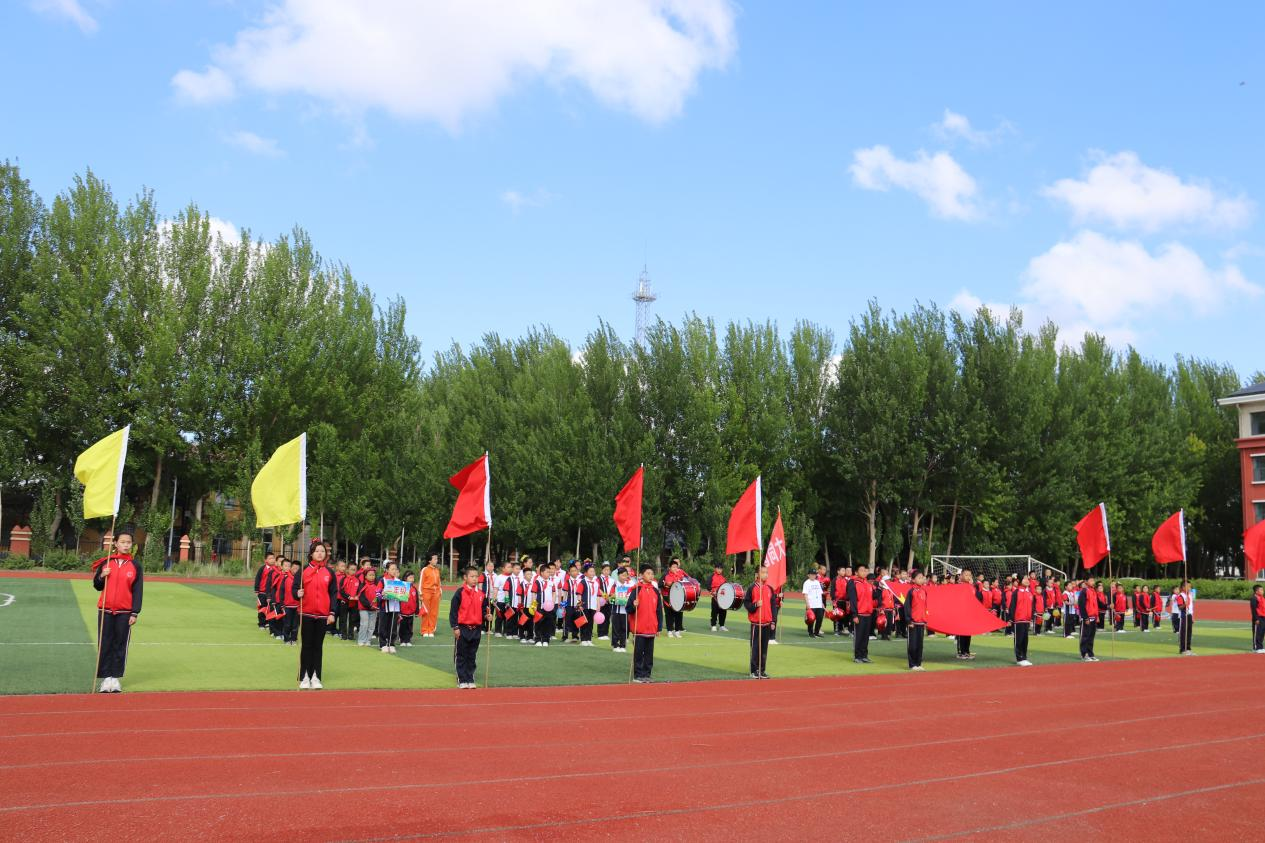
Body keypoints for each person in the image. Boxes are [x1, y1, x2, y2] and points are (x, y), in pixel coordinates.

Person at [91, 529, 143, 693]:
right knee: (105, 643)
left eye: (128, 542)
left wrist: (134, 612)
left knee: (120, 644)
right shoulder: (106, 562)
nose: (126, 545)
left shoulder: (135, 565)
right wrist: (102, 576)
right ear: (115, 543)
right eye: (123, 542)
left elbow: (137, 590)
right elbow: (97, 586)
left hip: (124, 612)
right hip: (105, 609)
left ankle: (115, 678)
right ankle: (106, 679)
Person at [294, 540, 338, 689]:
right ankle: (304, 676)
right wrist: (297, 593)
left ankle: (316, 677)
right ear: (311, 553)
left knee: (318, 646)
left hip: (322, 615)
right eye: (317, 551)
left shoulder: (330, 572)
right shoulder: (303, 570)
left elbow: (333, 594)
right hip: (305, 613)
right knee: (306, 645)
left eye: (322, 551)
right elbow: (295, 589)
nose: (320, 553)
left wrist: (332, 612)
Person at [449, 566, 491, 689]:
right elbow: (454, 611)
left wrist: (487, 617)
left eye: (476, 576)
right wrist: (455, 627)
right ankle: (461, 678)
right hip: (462, 628)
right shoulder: (460, 592)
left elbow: (484, 611)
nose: (474, 579)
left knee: (472, 655)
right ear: (465, 578)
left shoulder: (481, 595)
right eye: (472, 576)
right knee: (461, 654)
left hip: (476, 629)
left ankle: (470, 677)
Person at [625, 564, 664, 683]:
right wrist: (633, 605)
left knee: (649, 654)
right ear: (641, 575)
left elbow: (659, 611)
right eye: (648, 573)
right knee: (638, 653)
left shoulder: (655, 591)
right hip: (639, 628)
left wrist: (659, 627)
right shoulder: (636, 590)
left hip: (651, 628)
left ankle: (647, 674)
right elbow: (628, 609)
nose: (651, 575)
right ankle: (638, 675)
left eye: (652, 573)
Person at [745, 565, 778, 678]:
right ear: (758, 574)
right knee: (755, 648)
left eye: (766, 572)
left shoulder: (769, 588)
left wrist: (773, 621)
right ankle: (754, 670)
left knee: (764, 649)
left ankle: (762, 670)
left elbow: (773, 606)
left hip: (767, 623)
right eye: (763, 572)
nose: (765, 574)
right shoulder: (752, 588)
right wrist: (755, 605)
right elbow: (747, 604)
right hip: (756, 623)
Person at [846, 565, 874, 663]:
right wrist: (854, 615)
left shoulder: (868, 584)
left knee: (866, 637)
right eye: (861, 571)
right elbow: (852, 600)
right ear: (856, 573)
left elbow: (873, 597)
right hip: (859, 614)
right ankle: (857, 656)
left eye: (865, 571)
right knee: (859, 636)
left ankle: (864, 655)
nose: (864, 572)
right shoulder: (853, 583)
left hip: (868, 614)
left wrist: (882, 588)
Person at [1009, 576, 1036, 666]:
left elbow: (1032, 607)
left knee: (1025, 640)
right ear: (1019, 581)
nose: (1027, 581)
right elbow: (1012, 606)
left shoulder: (1030, 593)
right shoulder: (1016, 592)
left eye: (1028, 579)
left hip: (1027, 620)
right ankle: (1019, 658)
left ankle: (1024, 657)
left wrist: (1031, 618)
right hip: (1018, 620)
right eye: (1024, 579)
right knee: (1019, 640)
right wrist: (1011, 618)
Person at [532, 561, 559, 646]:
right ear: (542, 572)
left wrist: (553, 602)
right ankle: (538, 639)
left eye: (550, 572)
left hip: (549, 607)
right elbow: (533, 593)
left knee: (548, 623)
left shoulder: (551, 583)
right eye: (547, 572)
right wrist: (534, 605)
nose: (549, 573)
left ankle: (546, 640)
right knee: (539, 622)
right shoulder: (537, 582)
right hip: (540, 606)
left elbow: (554, 593)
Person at [906, 571, 928, 671]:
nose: (921, 579)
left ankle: (918, 664)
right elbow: (907, 607)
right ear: (913, 580)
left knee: (920, 645)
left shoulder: (924, 591)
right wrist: (909, 621)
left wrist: (925, 620)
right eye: (919, 577)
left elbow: (925, 607)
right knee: (913, 645)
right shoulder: (911, 592)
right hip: (913, 623)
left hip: (921, 622)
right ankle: (912, 664)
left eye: (922, 577)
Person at [610, 566, 633, 652]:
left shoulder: (628, 586)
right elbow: (610, 599)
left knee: (624, 628)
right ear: (618, 575)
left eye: (626, 575)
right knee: (616, 628)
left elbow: (630, 597)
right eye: (623, 575)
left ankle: (623, 645)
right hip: (616, 610)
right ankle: (615, 645)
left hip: (625, 611)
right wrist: (614, 597)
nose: (624, 577)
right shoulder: (615, 585)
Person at [662, 558, 686, 638]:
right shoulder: (667, 575)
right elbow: (668, 583)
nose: (675, 568)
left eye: (676, 567)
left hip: (678, 598)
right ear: (669, 568)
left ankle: (677, 630)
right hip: (668, 598)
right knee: (669, 614)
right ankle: (669, 630)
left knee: (679, 614)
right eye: (673, 567)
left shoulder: (681, 575)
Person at [1078, 576, 1100, 662]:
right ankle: (1084, 654)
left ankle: (1090, 653)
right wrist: (1085, 617)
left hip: (1093, 617)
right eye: (1091, 580)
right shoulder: (1084, 591)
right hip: (1087, 617)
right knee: (1085, 636)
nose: (1093, 582)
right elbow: (1081, 605)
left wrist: (1108, 606)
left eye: (1093, 580)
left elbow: (1098, 604)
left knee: (1091, 637)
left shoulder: (1094, 591)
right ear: (1086, 581)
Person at [356, 567, 380, 648]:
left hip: (374, 609)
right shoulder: (362, 585)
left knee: (371, 626)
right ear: (365, 576)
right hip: (364, 609)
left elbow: (379, 596)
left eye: (373, 575)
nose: (372, 576)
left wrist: (377, 602)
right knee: (364, 624)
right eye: (370, 575)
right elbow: (361, 598)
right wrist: (369, 605)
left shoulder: (377, 585)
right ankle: (361, 640)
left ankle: (368, 640)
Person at [419, 555, 442, 638]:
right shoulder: (425, 570)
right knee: (426, 612)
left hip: (436, 593)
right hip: (426, 593)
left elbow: (439, 582)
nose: (436, 560)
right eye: (435, 559)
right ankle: (424, 630)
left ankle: (431, 630)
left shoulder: (437, 570)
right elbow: (421, 582)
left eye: (437, 559)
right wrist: (421, 593)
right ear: (429, 560)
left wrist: (440, 592)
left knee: (434, 612)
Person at [279, 558, 300, 645]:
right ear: (290, 568)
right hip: (287, 606)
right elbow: (281, 591)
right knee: (287, 624)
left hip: (297, 606)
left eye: (298, 569)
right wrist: (282, 603)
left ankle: (294, 639)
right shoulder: (286, 578)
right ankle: (286, 639)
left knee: (295, 625)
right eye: (294, 568)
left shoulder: (301, 580)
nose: (296, 570)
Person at [253, 552, 275, 629]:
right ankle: (261, 624)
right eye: (270, 558)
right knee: (262, 608)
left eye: (273, 558)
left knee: (270, 608)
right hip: (262, 593)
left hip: (271, 593)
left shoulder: (275, 569)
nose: (272, 560)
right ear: (266, 560)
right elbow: (257, 579)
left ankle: (268, 623)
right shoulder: (262, 569)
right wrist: (256, 590)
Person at [398, 570, 419, 646]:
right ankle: (402, 640)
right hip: (403, 612)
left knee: (409, 627)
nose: (412, 579)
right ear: (405, 578)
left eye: (413, 577)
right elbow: (398, 600)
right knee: (402, 627)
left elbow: (416, 600)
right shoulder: (402, 588)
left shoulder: (414, 589)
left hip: (411, 612)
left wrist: (417, 611)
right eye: (410, 577)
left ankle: (408, 640)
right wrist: (399, 611)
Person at [803, 570, 825, 638]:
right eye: (812, 574)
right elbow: (805, 594)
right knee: (811, 619)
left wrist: (822, 603)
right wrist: (807, 604)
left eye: (814, 574)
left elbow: (820, 593)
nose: (813, 576)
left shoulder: (817, 582)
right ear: (808, 575)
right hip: (811, 604)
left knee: (820, 618)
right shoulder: (806, 583)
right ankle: (810, 633)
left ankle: (816, 632)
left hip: (818, 604)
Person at [1176, 581, 1195, 655]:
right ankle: (1182, 649)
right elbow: (1180, 607)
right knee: (1183, 632)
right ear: (1183, 587)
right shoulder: (1180, 596)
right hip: (1183, 616)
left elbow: (1191, 608)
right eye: (1188, 586)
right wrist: (1185, 604)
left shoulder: (1189, 595)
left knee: (1189, 632)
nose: (1189, 588)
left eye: (1190, 586)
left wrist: (1192, 616)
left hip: (1189, 615)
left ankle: (1188, 648)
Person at [708, 562, 727, 631]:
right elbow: (708, 585)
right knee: (714, 611)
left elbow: (726, 587)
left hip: (722, 598)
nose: (719, 570)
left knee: (723, 611)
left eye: (721, 569)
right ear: (715, 569)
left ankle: (722, 625)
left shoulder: (723, 578)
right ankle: (713, 625)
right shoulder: (711, 576)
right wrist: (712, 591)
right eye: (718, 568)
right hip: (715, 597)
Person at [597, 562, 614, 640]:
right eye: (605, 570)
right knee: (601, 616)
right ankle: (600, 633)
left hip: (609, 600)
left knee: (607, 616)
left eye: (608, 570)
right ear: (602, 571)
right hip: (601, 600)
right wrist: (605, 596)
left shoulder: (612, 580)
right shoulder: (598, 579)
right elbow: (598, 589)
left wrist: (610, 598)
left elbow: (613, 589)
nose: (607, 571)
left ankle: (605, 633)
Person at [1250, 584, 1265, 653]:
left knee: (1262, 632)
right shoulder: (1254, 598)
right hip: (1258, 617)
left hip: (1263, 617)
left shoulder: (1262, 598)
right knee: (1257, 633)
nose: (1263, 591)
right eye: (1261, 590)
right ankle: (1256, 647)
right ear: (1256, 591)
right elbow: (1253, 609)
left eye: (1262, 590)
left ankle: (1260, 647)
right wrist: (1256, 619)